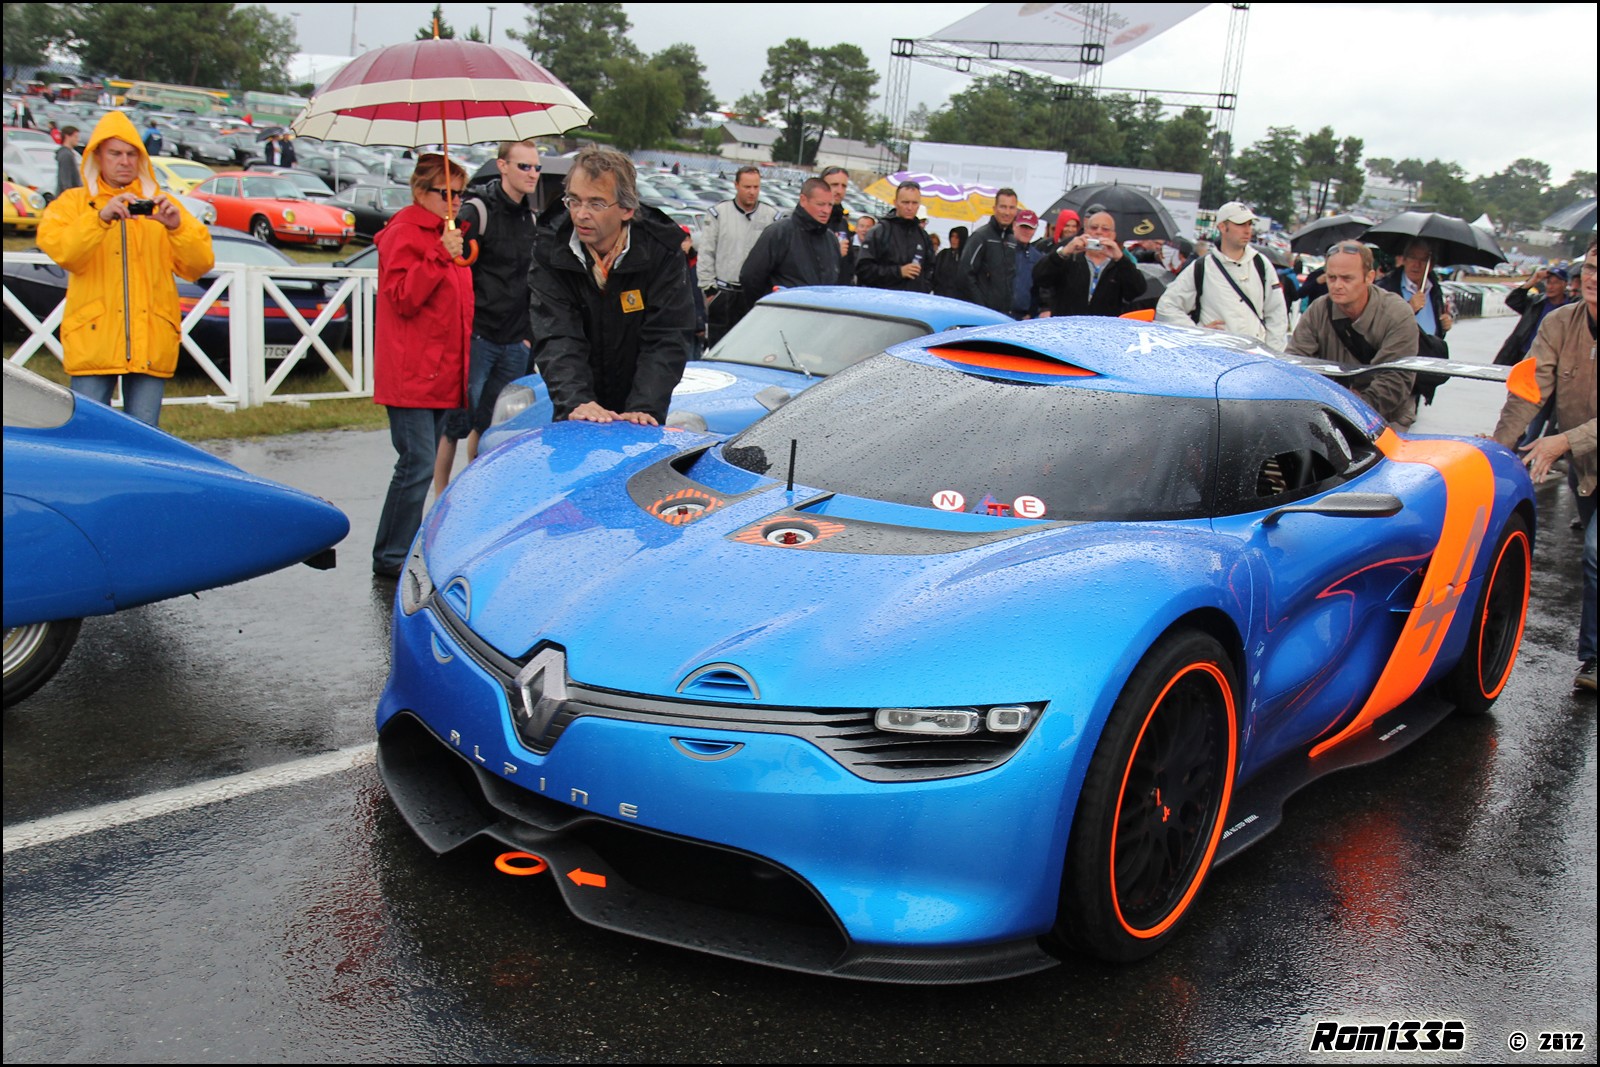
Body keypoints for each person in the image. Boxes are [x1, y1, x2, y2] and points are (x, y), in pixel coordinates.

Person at [36, 110, 214, 428]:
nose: (124, 161)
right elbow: (65, 254)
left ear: (142, 159)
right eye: (115, 153)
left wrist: (176, 229)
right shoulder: (72, 204)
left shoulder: (164, 206)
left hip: (152, 340)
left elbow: (199, 265)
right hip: (93, 339)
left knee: (145, 442)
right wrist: (99, 220)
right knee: (89, 439)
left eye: (132, 154)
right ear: (97, 157)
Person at [1491, 243, 1596, 691]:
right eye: (1591, 268)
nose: (1594, 277)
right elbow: (1531, 389)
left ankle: (1592, 659)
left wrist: (1562, 442)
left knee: (1596, 553)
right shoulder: (1558, 321)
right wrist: (1499, 447)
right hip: (1588, 470)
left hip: (1578, 446)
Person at [527, 145, 695, 425]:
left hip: (639, 413)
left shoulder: (662, 250)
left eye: (596, 203)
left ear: (627, 209)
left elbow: (668, 336)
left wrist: (645, 405)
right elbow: (556, 334)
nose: (581, 214)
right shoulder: (549, 248)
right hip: (578, 409)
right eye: (574, 200)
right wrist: (577, 400)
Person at [370, 153, 475, 579]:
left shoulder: (447, 234)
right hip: (411, 369)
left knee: (421, 462)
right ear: (420, 191)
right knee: (416, 462)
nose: (454, 202)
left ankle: (402, 547)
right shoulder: (405, 232)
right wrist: (437, 255)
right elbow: (402, 296)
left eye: (459, 194)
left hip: (440, 371)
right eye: (444, 193)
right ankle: (392, 554)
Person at [435, 138, 542, 484]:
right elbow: (450, 266)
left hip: (514, 341)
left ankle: (473, 492)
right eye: (524, 166)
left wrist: (528, 337)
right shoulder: (476, 210)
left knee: (490, 425)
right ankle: (440, 499)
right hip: (476, 336)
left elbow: (535, 280)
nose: (532, 174)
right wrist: (447, 244)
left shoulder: (531, 218)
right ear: (503, 166)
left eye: (536, 167)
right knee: (454, 424)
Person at [1283, 241, 1419, 428]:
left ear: (1369, 277)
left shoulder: (1397, 314)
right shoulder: (1319, 309)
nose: (1337, 285)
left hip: (1386, 416)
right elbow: (1295, 363)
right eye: (1331, 278)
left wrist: (1352, 408)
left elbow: (1395, 380)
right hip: (1328, 408)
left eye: (1347, 279)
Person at [1156, 201, 1287, 348]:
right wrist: (1196, 333)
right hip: (1215, 357)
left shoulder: (1261, 264)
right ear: (1222, 227)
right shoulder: (1202, 266)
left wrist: (1273, 354)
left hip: (1254, 357)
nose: (1247, 230)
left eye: (1250, 224)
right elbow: (1167, 306)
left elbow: (1277, 314)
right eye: (1241, 224)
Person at [697, 165, 779, 345]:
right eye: (747, 187)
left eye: (756, 187)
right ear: (736, 185)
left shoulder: (771, 217)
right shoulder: (719, 214)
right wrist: (710, 291)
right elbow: (706, 253)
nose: (752, 192)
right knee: (718, 348)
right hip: (723, 294)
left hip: (755, 296)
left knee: (750, 347)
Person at [1032, 208, 1145, 317]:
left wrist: (1120, 259)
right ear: (1085, 231)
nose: (1098, 232)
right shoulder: (1071, 257)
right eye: (1094, 228)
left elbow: (1137, 291)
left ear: (1113, 235)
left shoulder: (1119, 265)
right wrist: (1064, 252)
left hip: (1103, 330)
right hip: (1067, 328)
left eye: (1105, 229)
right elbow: (1040, 277)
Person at [739, 177, 841, 295]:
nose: (826, 210)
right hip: (782, 311)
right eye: (820, 204)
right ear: (803, 200)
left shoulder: (831, 239)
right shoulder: (779, 233)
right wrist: (768, 306)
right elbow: (750, 276)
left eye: (830, 205)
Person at [856, 180, 935, 292]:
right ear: (895, 202)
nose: (910, 207)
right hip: (883, 302)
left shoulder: (923, 236)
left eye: (914, 203)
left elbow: (931, 270)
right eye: (905, 202)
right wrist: (899, 272)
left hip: (913, 302)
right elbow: (863, 270)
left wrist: (923, 288)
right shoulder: (879, 232)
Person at [1377, 238, 1452, 342]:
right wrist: (1408, 309)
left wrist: (1443, 326)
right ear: (1404, 259)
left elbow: (1436, 332)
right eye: (1412, 257)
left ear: (1431, 265)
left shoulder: (1435, 290)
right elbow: (1376, 328)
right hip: (1399, 355)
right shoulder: (1386, 288)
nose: (1416, 265)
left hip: (1428, 356)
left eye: (1423, 260)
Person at [1495, 266, 1572, 366]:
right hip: (1524, 355)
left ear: (1564, 284)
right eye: (1548, 282)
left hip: (1551, 360)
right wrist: (1533, 281)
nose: (1550, 287)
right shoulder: (1536, 303)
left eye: (1555, 283)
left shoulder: (1571, 308)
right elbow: (1512, 301)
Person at [958, 187, 1020, 311]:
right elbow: (964, 274)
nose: (1007, 212)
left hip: (1004, 314)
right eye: (1003, 207)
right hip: (982, 313)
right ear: (994, 209)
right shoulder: (981, 237)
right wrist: (981, 306)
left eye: (1011, 207)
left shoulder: (1012, 240)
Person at [819, 166, 857, 283]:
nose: (839, 191)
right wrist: (834, 252)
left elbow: (849, 263)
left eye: (843, 186)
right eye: (834, 185)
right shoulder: (814, 219)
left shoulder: (842, 221)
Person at [1006, 210, 1046, 319]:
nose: (1026, 231)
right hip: (999, 312)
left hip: (1023, 317)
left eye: (1030, 228)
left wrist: (1032, 313)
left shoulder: (1038, 258)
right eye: (1023, 226)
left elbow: (1040, 290)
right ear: (1014, 225)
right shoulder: (1002, 250)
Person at [933, 224, 967, 298]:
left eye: (957, 237)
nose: (953, 240)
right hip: (940, 296)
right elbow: (935, 274)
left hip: (959, 299)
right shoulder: (943, 254)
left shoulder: (966, 257)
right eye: (952, 236)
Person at [55, 126, 82, 192]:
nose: (78, 139)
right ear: (67, 136)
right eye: (75, 137)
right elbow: (65, 180)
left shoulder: (67, 153)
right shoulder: (66, 155)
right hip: (69, 197)